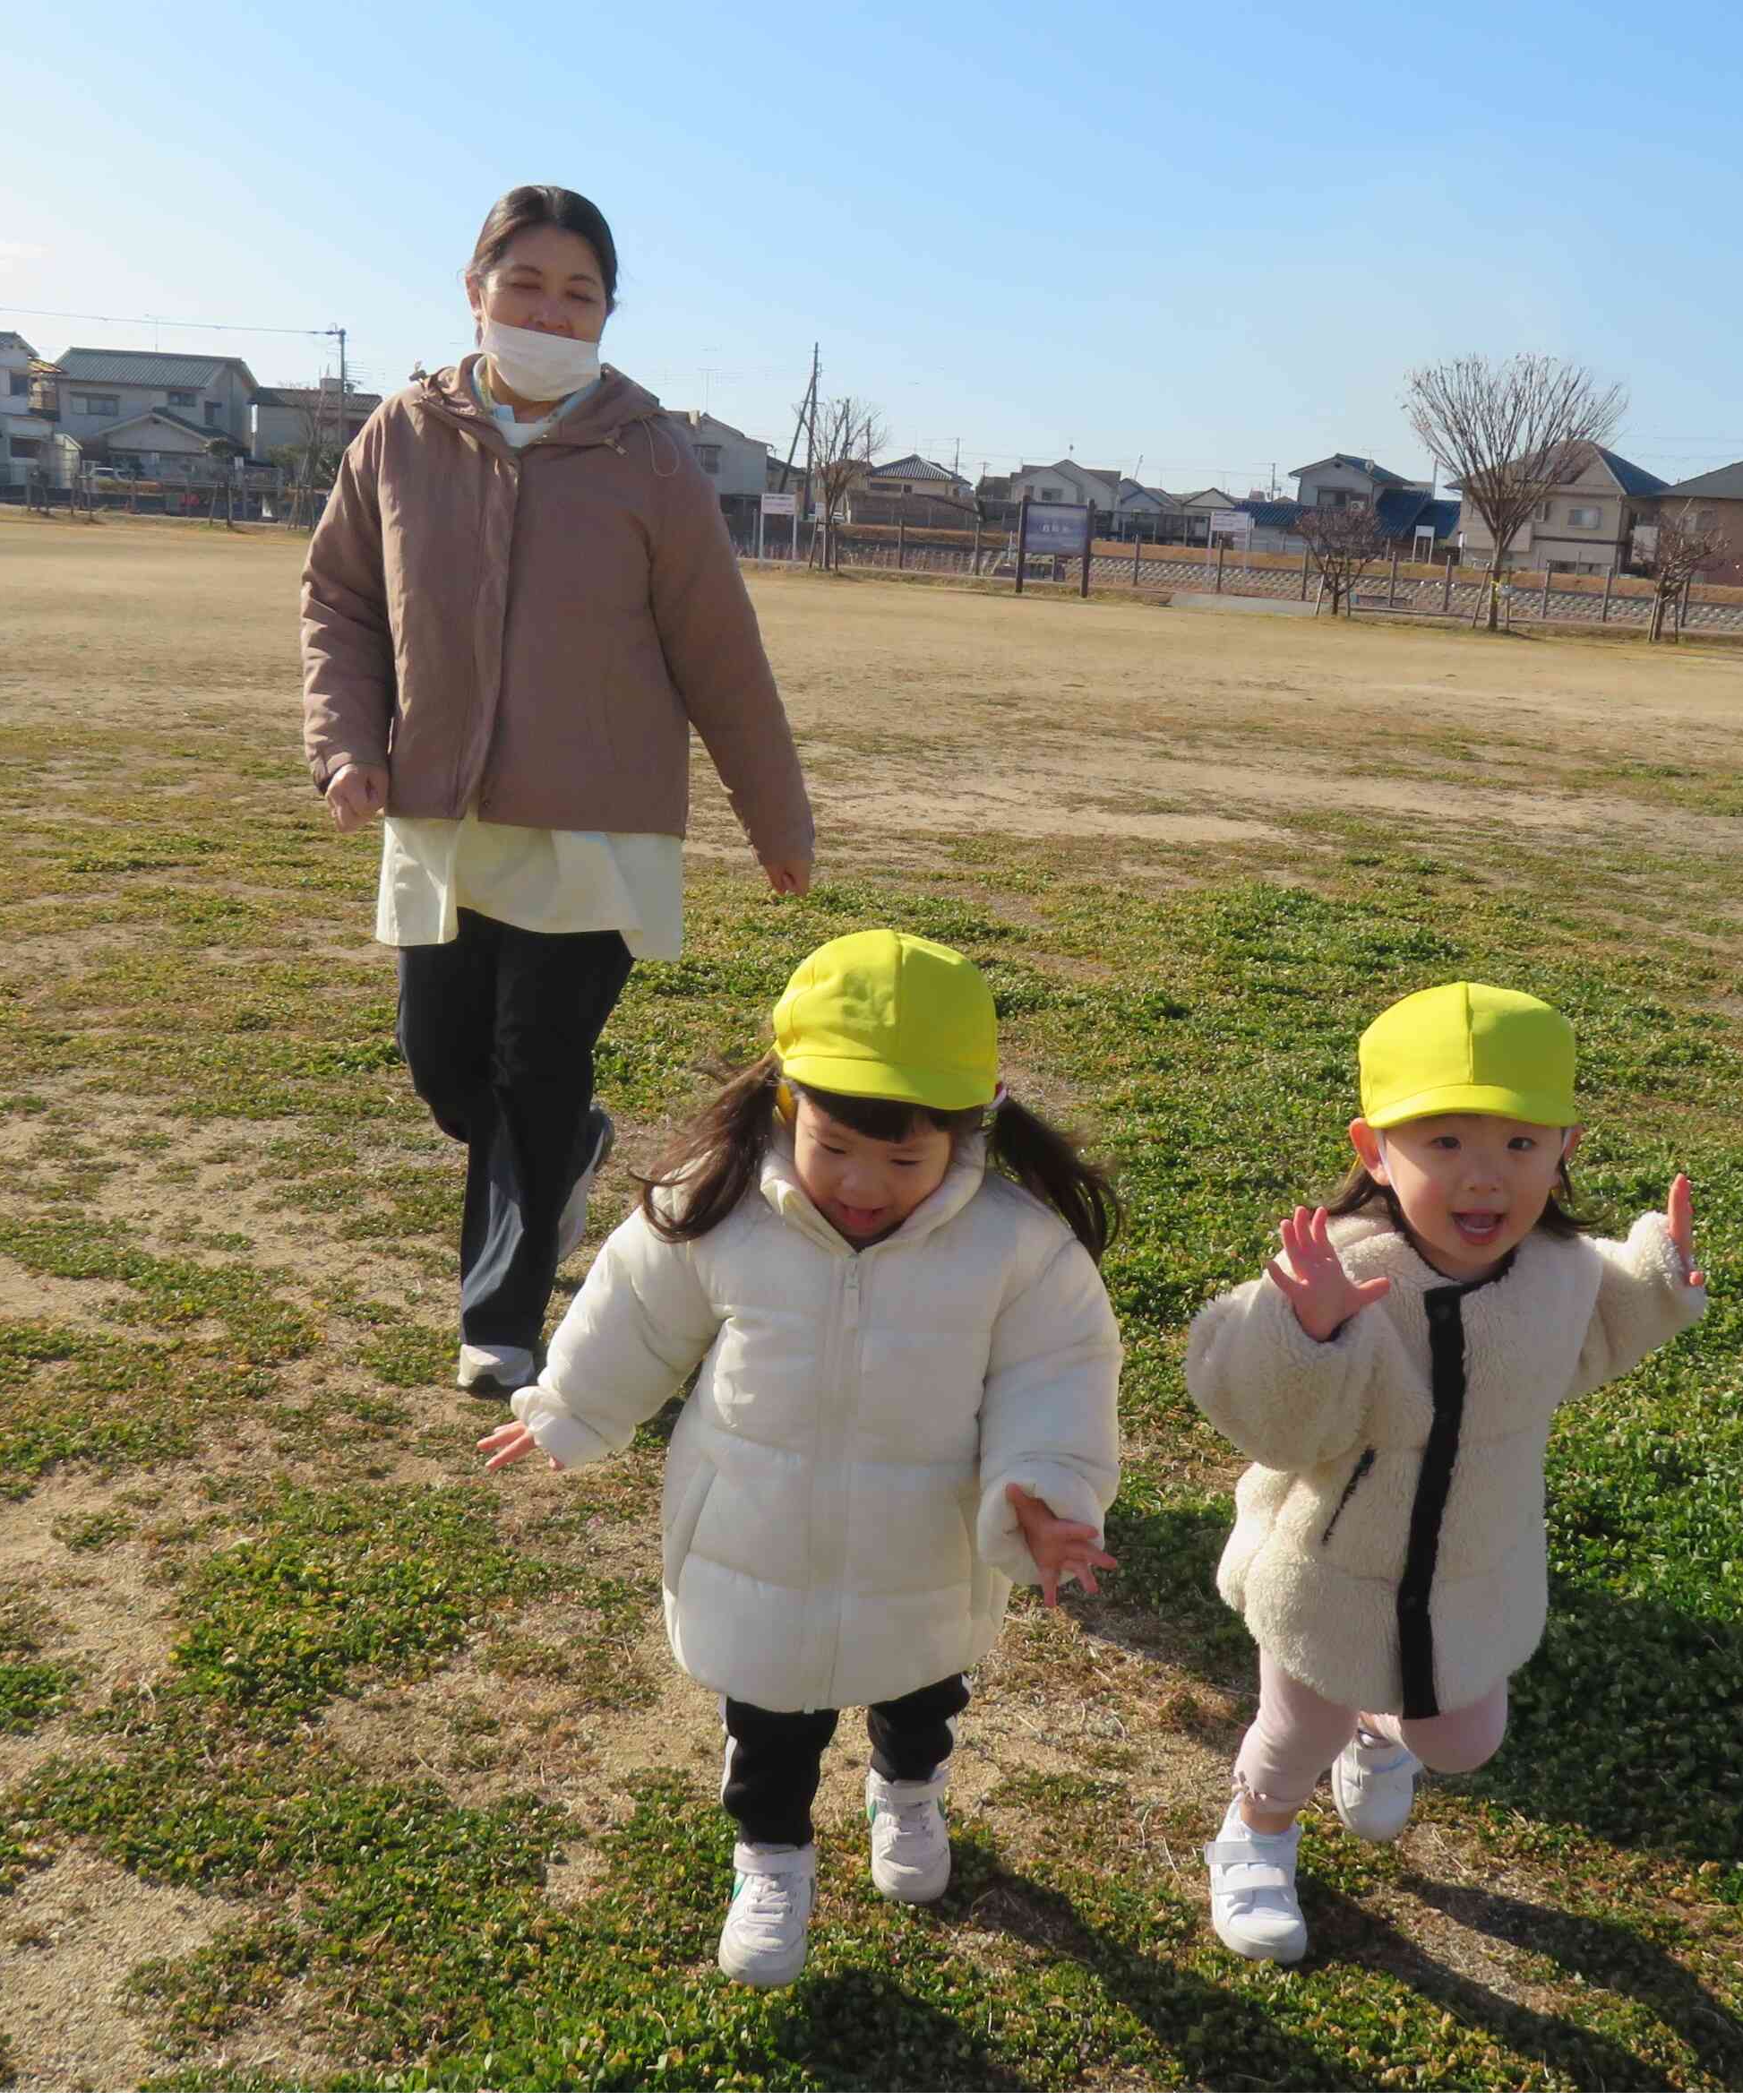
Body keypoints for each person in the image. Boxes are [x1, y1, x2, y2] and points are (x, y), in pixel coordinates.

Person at [478, 930, 1125, 1988]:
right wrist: (572, 1406)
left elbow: (1056, 1376)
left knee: (923, 1692)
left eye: (905, 1159)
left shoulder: (1015, 1246)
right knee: (769, 1722)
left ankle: (907, 1792)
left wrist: (1049, 1495)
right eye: (836, 1148)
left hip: (920, 1547)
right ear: (787, 1101)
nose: (864, 1184)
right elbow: (636, 1313)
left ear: (970, 1126)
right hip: (756, 1536)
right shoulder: (719, 1203)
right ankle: (772, 1855)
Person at [300, 184, 814, 1400]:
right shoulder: (401, 435)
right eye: (526, 283)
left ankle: (504, 1323)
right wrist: (345, 744)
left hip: (598, 825)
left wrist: (774, 816)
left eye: (579, 292)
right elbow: (343, 600)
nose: (549, 309)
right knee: (445, 1066)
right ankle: (569, 1155)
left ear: (608, 313)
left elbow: (717, 651)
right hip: (445, 812)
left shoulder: (648, 456)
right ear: (475, 292)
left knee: (536, 1064)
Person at [1185, 981, 1708, 1965]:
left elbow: (1590, 1338)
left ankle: (1380, 1726)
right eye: (1445, 1143)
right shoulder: (1344, 1269)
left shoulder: (1557, 1269)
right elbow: (1269, 1419)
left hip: (1473, 1568)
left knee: (1463, 1740)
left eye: (1519, 1143)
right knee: (1296, 1733)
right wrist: (1308, 1331)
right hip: (1335, 1571)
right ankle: (1256, 1830)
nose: (1485, 1178)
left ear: (1565, 1149)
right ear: (1372, 1149)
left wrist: (1656, 1281)